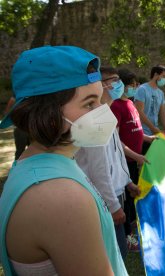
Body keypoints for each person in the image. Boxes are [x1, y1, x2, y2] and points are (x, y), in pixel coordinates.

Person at [0, 46, 127, 275]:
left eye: (99, 99)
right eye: (89, 103)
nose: (102, 111)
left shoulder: (39, 164)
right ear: (48, 112)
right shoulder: (60, 196)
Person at [74, 66, 140, 259]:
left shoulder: (107, 113)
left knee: (118, 252)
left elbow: (115, 154)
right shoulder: (93, 120)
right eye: (114, 80)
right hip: (102, 199)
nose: (119, 84)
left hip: (115, 193)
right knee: (114, 254)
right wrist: (113, 206)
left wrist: (127, 181)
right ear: (100, 85)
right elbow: (98, 168)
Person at [112, 68, 156, 249]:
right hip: (124, 162)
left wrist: (149, 139)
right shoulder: (115, 106)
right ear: (121, 85)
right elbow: (115, 141)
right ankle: (128, 237)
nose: (135, 88)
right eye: (132, 85)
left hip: (134, 160)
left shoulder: (130, 104)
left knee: (135, 194)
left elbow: (136, 131)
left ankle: (133, 228)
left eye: (136, 84)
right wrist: (136, 155)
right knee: (127, 200)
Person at [134, 65, 165, 154]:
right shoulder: (142, 89)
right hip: (143, 133)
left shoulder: (160, 93)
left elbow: (162, 112)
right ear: (156, 75)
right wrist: (153, 128)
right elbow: (139, 112)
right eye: (164, 76)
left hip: (155, 133)